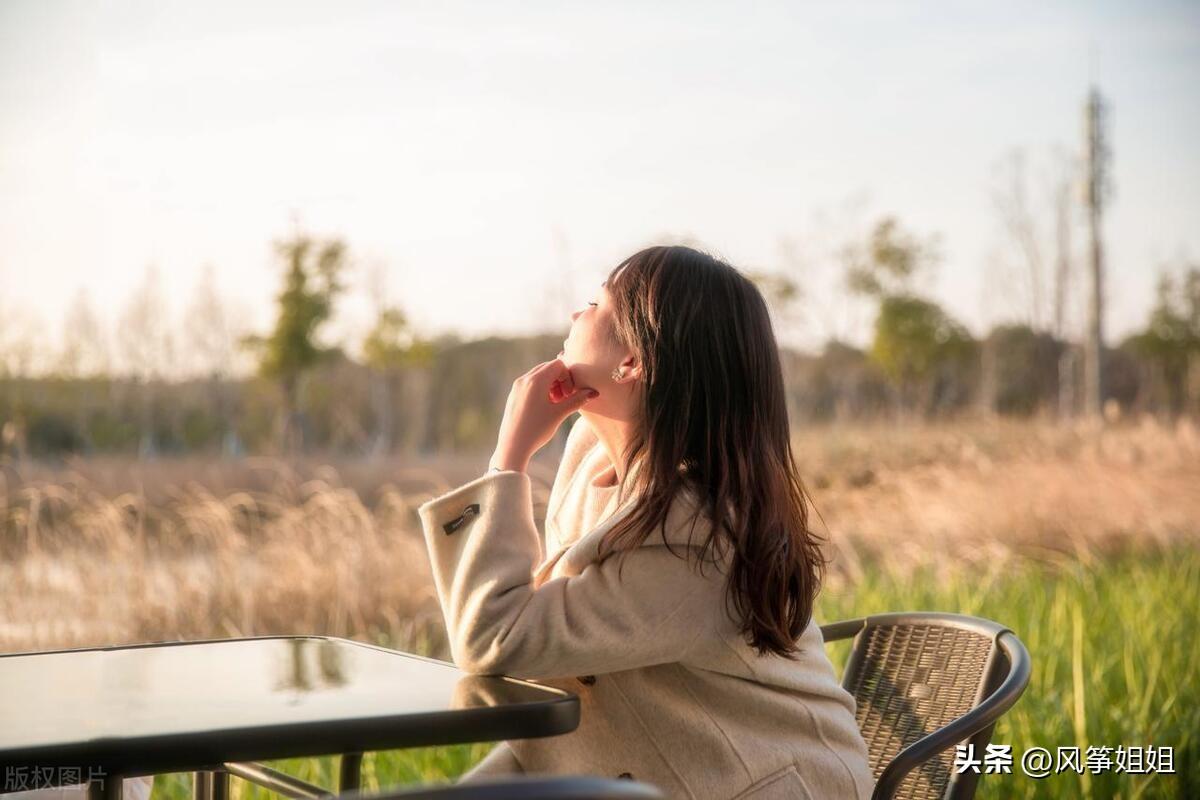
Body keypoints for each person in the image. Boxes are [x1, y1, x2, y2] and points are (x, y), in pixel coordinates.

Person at [418, 245, 873, 799]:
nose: (574, 316)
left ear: (632, 362)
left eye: (594, 304)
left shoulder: (698, 535)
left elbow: (497, 638)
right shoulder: (593, 459)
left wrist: (508, 458)